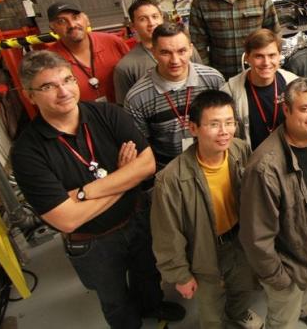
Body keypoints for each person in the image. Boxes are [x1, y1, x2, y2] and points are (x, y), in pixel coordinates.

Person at [11, 50, 184, 327]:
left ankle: (153, 306)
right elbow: (67, 218)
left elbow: (147, 165)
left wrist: (84, 193)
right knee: (113, 296)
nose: (63, 91)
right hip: (92, 241)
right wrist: (124, 178)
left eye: (67, 80)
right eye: (48, 86)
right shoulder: (27, 152)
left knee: (148, 273)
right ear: (29, 95)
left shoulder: (107, 113)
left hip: (137, 218)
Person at [151, 90, 263, 329]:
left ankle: (238, 313)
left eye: (229, 122)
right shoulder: (171, 179)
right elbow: (166, 234)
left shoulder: (240, 150)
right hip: (203, 250)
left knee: (242, 287)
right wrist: (179, 275)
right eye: (214, 124)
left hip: (239, 242)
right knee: (210, 305)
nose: (224, 131)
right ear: (193, 128)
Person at [239, 78, 307, 329]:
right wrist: (279, 279)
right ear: (286, 110)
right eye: (304, 109)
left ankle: (306, 308)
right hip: (286, 264)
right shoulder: (265, 167)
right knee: (283, 315)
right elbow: (256, 238)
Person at [124, 23, 225, 169]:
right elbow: (142, 149)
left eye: (182, 51)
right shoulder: (137, 98)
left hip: (214, 163)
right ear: (154, 52)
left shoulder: (213, 80)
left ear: (191, 49)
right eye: (165, 52)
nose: (175, 60)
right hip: (168, 170)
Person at [113, 0, 202, 102]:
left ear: (162, 18)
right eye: (143, 19)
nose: (151, 23)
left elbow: (202, 79)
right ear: (133, 26)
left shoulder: (185, 49)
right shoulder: (126, 67)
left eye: (155, 16)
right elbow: (125, 107)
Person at [222, 29, 297, 149]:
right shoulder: (230, 93)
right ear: (247, 58)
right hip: (252, 162)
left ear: (279, 56)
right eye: (259, 56)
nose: (266, 62)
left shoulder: (293, 84)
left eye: (272, 55)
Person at [47, 1, 129, 103]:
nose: (72, 25)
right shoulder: (49, 59)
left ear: (87, 20)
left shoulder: (113, 42)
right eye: (61, 21)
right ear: (53, 29)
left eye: (75, 17)